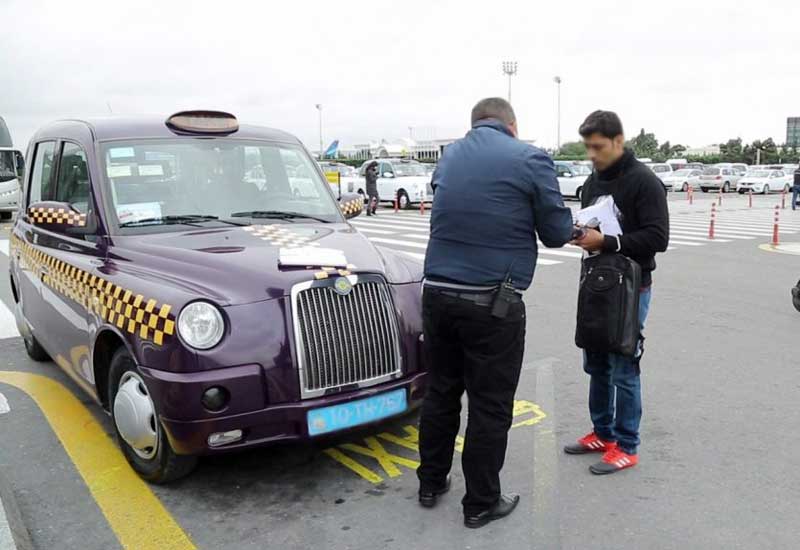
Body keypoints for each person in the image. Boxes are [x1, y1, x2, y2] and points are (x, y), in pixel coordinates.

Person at [417, 97, 573, 528]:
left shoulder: (448, 159)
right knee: (489, 404)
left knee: (442, 391)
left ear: (474, 124)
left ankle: (430, 482)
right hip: (491, 302)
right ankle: (481, 501)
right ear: (512, 125)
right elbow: (557, 233)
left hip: (437, 295)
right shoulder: (529, 158)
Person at [565, 110, 669, 475]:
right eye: (588, 147)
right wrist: (580, 233)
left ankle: (627, 444)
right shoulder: (593, 181)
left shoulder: (644, 182)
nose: (592, 154)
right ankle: (602, 432)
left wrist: (608, 240)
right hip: (596, 282)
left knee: (624, 364)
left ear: (618, 142)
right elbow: (590, 220)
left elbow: (659, 239)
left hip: (631, 286)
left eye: (598, 147)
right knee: (595, 362)